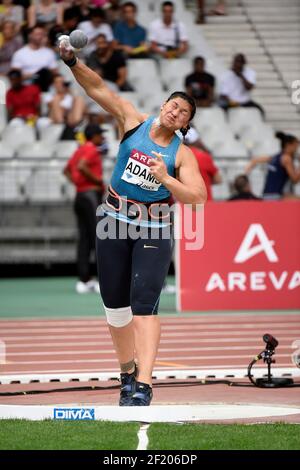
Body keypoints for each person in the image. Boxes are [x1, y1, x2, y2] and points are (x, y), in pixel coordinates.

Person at [59, 36, 207, 406]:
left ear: (186, 125)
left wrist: (166, 178)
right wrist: (72, 62)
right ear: (164, 106)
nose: (176, 114)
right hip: (112, 220)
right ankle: (126, 370)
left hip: (154, 227)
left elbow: (198, 198)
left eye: (184, 114)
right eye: (174, 107)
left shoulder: (182, 154)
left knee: (144, 304)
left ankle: (143, 384)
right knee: (114, 307)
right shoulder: (131, 120)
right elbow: (97, 89)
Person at [63, 124, 105, 294]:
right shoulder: (91, 149)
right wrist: (96, 182)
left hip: (80, 196)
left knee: (85, 240)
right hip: (90, 197)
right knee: (99, 238)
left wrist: (78, 183)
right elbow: (81, 166)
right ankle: (103, 279)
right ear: (93, 136)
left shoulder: (79, 150)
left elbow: (67, 170)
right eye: (100, 135)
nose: (102, 138)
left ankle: (84, 280)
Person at [246, 132, 300, 200]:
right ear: (288, 145)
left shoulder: (274, 157)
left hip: (266, 195)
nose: (296, 149)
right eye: (295, 146)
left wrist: (248, 169)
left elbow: (255, 160)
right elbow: (295, 179)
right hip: (275, 196)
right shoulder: (286, 158)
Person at [11, 25, 58, 91]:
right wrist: (34, 75)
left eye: (42, 34)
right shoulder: (19, 53)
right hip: (26, 87)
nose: (40, 37)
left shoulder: (49, 53)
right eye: (38, 34)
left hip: (45, 86)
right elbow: (14, 76)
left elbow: (55, 73)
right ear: (30, 35)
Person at [219, 53, 265, 118]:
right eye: (236, 62)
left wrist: (241, 76)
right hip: (231, 103)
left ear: (244, 63)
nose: (237, 64)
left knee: (259, 110)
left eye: (240, 62)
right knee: (222, 110)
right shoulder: (226, 74)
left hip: (246, 102)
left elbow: (249, 88)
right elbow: (223, 94)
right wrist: (232, 102)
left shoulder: (250, 72)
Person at [184, 127, 222, 200]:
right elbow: (218, 180)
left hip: (184, 203)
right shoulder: (204, 157)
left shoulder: (177, 157)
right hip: (205, 202)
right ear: (197, 140)